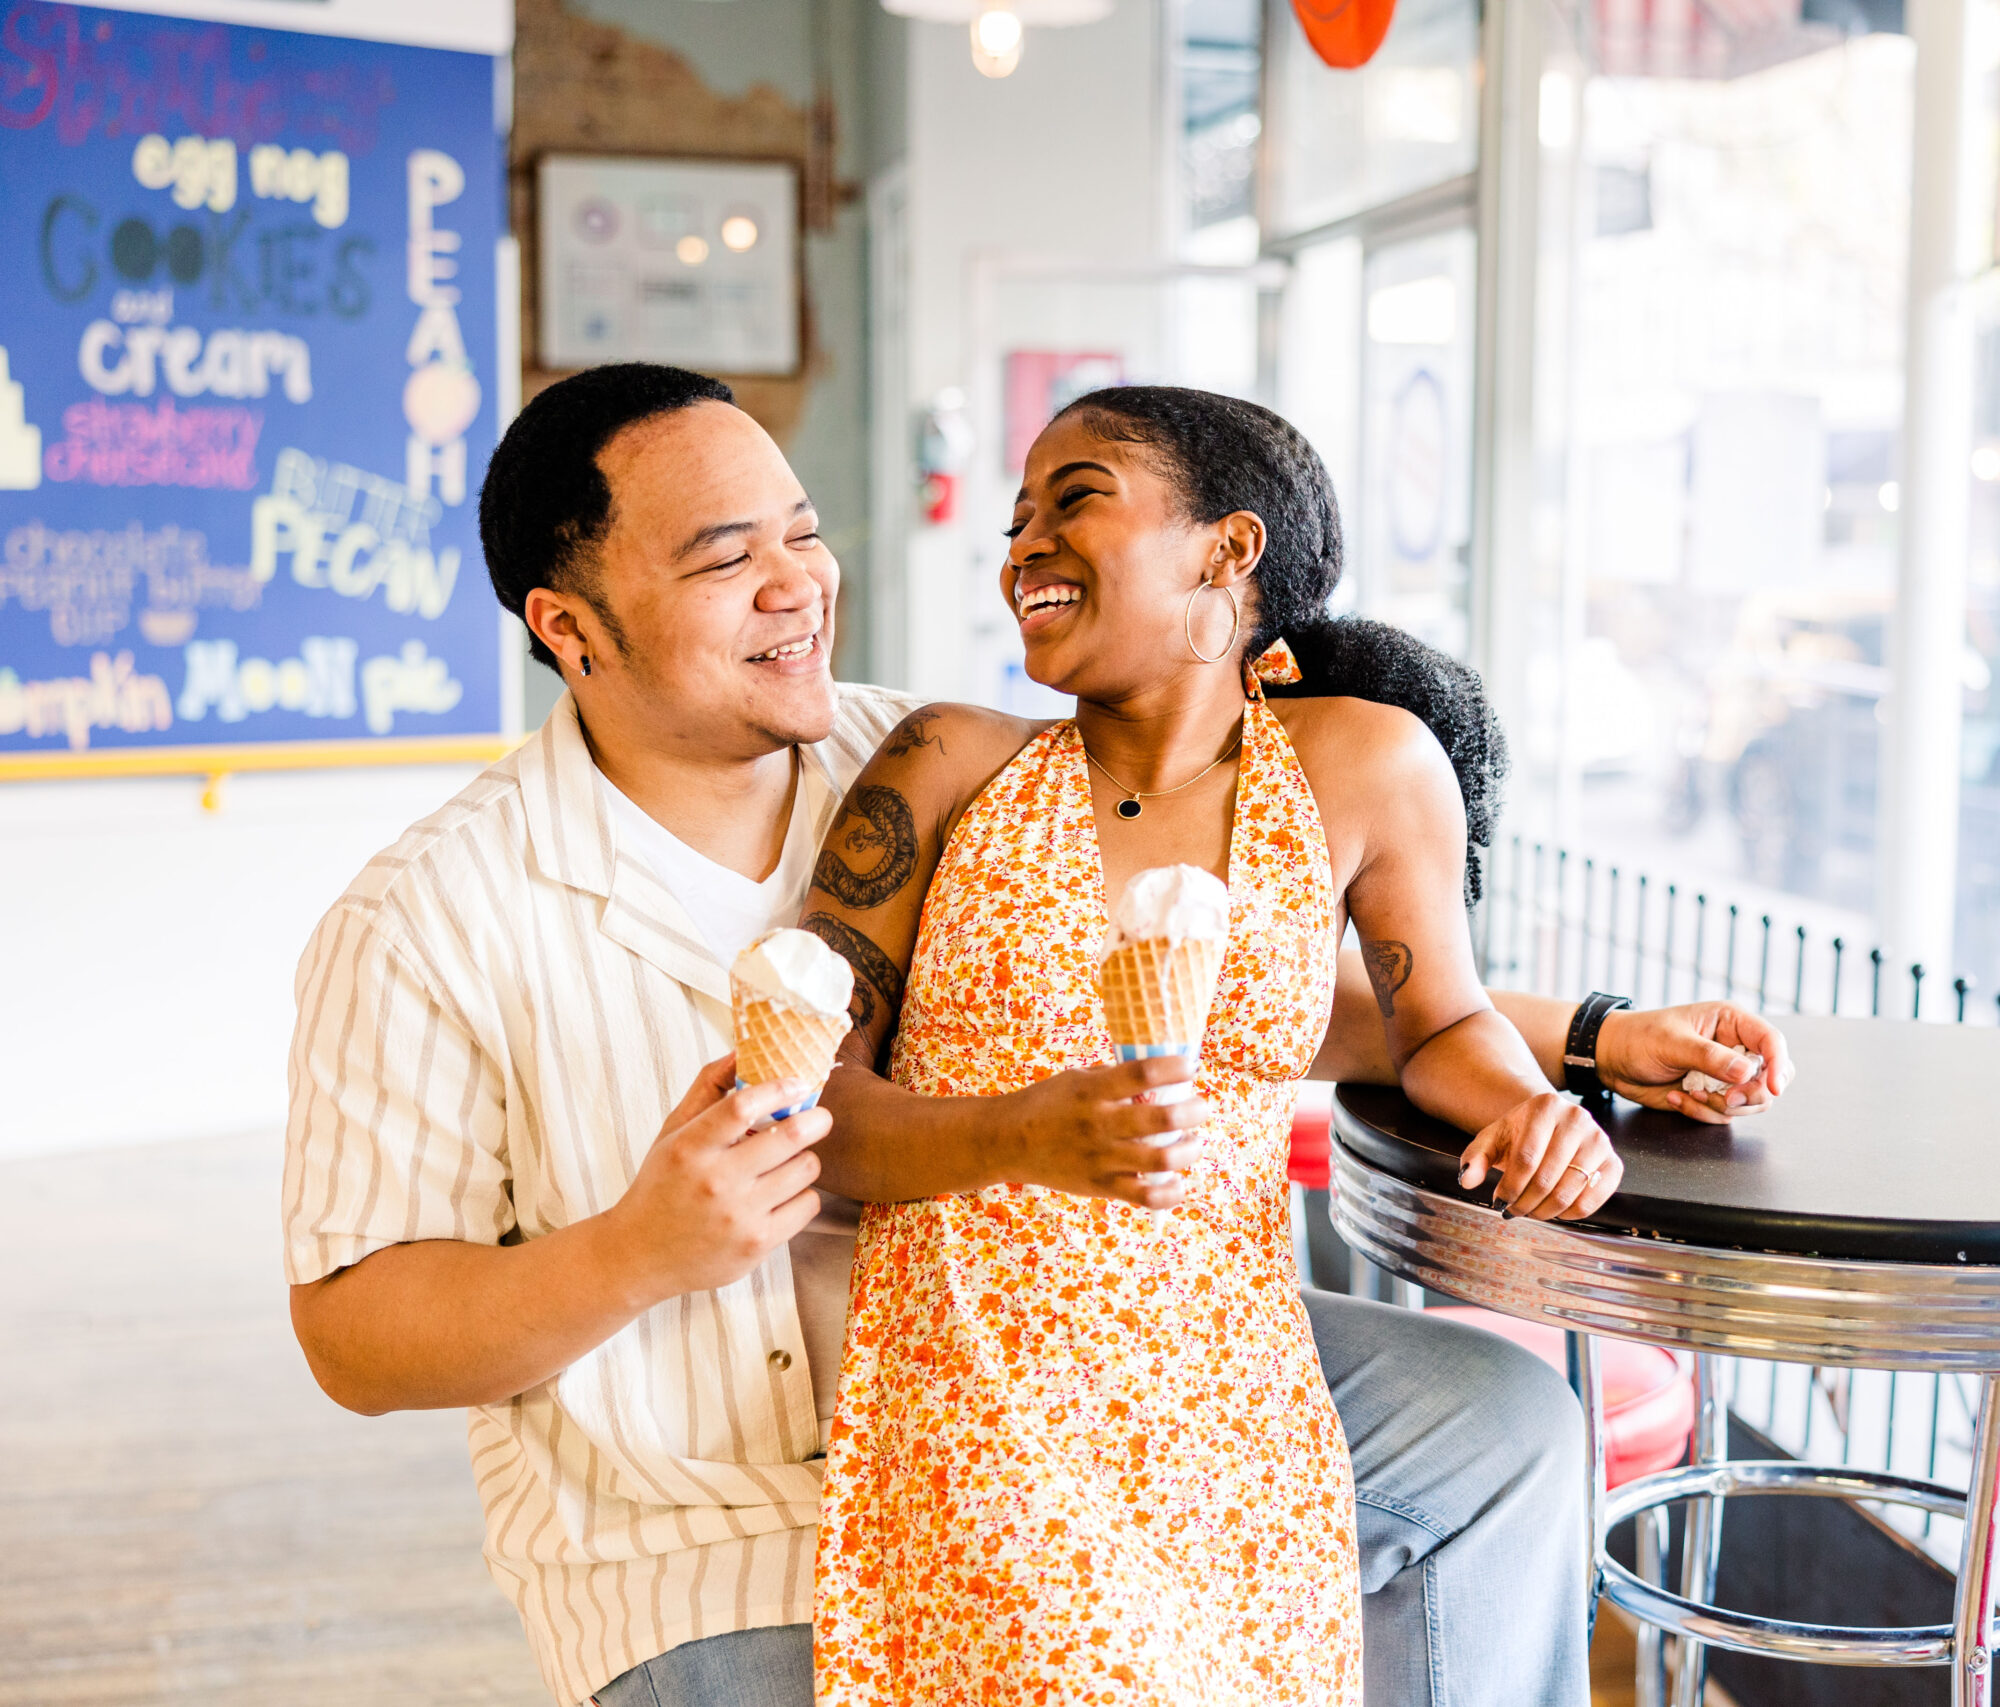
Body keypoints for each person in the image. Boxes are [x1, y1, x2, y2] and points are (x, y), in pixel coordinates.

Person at [279, 363, 1793, 1707]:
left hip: (1103, 1359)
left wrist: (1583, 1036)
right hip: (722, 1526)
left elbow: (1257, 990)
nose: (798, 583)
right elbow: (353, 1333)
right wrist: (634, 1250)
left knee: (1503, 1426)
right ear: (569, 627)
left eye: (802, 533)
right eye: (728, 559)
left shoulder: (920, 751)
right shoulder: (427, 920)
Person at [801, 385, 1648, 1704]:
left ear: (1226, 550)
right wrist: (1026, 1132)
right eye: (1016, 519)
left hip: (1223, 1379)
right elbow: (814, 1118)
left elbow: (1442, 1025)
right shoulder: (947, 764)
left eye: (1073, 499)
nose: (1023, 544)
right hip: (972, 1371)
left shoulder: (1366, 765)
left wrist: (1534, 1107)